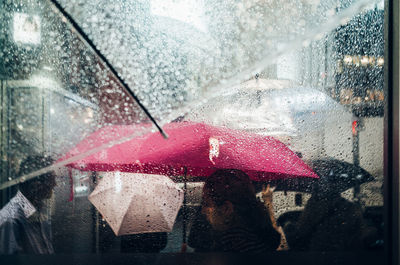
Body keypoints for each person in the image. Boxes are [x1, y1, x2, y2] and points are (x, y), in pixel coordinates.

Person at [199, 169, 280, 253]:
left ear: (226, 208)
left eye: (207, 204)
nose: (203, 211)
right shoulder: (254, 239)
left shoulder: (230, 244)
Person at [282, 184, 378, 251]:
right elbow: (362, 233)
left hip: (320, 253)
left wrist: (288, 226)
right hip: (349, 255)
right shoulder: (350, 207)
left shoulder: (314, 204)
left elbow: (302, 229)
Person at [0, 155, 56, 254]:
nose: (55, 184)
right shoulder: (11, 220)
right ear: (36, 184)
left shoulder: (38, 210)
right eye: (52, 179)